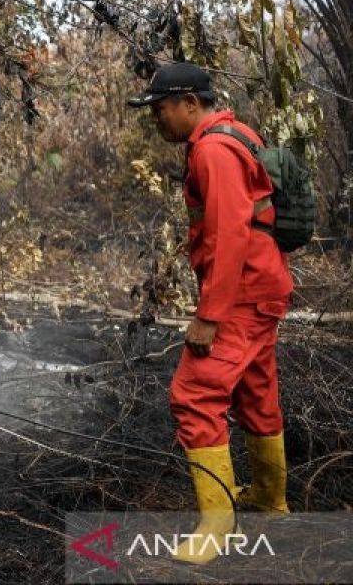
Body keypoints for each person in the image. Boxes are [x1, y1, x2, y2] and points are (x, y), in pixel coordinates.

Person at [128, 62, 294, 564]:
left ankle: (217, 524)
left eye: (160, 110)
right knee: (255, 390)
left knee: (194, 394)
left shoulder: (214, 149)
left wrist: (210, 315)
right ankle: (270, 498)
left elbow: (229, 235)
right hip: (263, 288)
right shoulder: (234, 132)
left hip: (241, 296)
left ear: (189, 103)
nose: (157, 120)